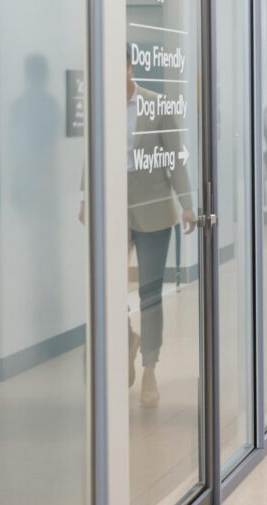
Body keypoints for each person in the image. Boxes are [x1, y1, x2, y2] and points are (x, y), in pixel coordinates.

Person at [80, 46, 196, 407]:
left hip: (155, 209)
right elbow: (92, 151)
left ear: (132, 67)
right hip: (114, 207)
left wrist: (188, 204)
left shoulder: (156, 104)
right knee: (109, 287)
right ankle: (128, 337)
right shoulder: (101, 106)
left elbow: (175, 157)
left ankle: (149, 368)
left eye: (120, 67)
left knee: (149, 291)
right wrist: (86, 197)